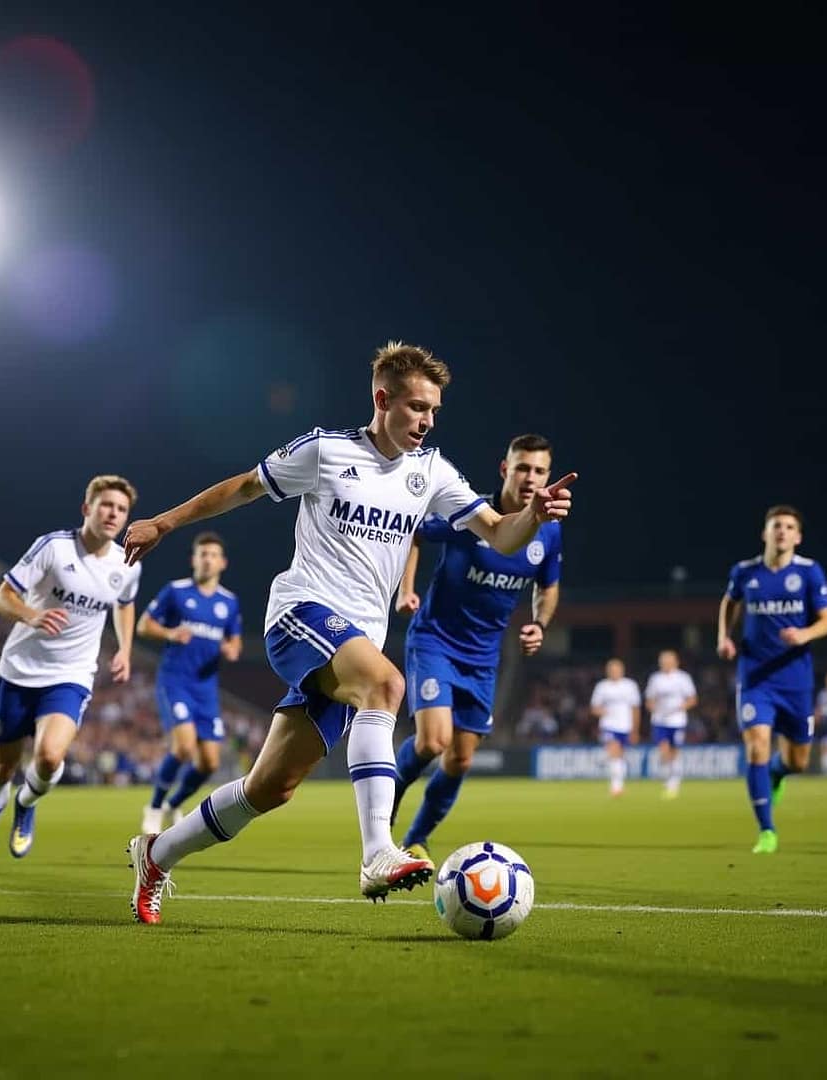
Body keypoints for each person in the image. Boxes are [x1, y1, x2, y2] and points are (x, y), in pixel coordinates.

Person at [122, 342, 575, 924]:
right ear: (382, 400)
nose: (427, 421)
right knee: (387, 687)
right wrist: (163, 521)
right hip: (301, 612)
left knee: (269, 789)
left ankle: (155, 856)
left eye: (434, 410)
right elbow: (242, 488)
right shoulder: (325, 452)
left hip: (354, 638)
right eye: (416, 408)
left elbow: (501, 534)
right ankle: (376, 853)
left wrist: (533, 516)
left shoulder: (430, 471)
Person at [390, 433, 563, 860]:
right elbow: (414, 531)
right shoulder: (470, 512)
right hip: (435, 640)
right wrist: (406, 588)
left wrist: (540, 623)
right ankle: (382, 810)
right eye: (522, 467)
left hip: (484, 656)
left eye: (539, 471)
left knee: (460, 758)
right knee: (432, 742)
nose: (530, 478)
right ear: (505, 469)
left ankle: (416, 838)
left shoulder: (549, 532)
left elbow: (549, 587)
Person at [0, 475, 141, 875]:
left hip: (71, 675)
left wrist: (127, 649)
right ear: (87, 509)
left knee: (48, 757)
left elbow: (125, 604)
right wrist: (33, 615)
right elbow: (2, 597)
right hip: (18, 671)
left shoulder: (126, 563)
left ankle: (26, 804)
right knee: (1, 770)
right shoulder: (53, 547)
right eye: (106, 505)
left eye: (121, 509)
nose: (113, 514)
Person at [718, 505, 827, 854]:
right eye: (776, 526)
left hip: (795, 681)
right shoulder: (745, 572)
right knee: (757, 747)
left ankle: (779, 773)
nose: (781, 531)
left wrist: (805, 634)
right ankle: (767, 830)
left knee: (798, 760)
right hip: (755, 678)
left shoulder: (810, 572)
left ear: (797, 536)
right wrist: (724, 636)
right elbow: (729, 602)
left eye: (788, 527)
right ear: (765, 533)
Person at [138, 531, 243, 833]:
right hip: (175, 681)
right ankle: (156, 805)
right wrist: (170, 634)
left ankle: (175, 803)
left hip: (206, 689)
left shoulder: (229, 602)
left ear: (222, 563)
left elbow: (234, 642)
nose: (207, 559)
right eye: (202, 554)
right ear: (193, 559)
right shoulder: (176, 591)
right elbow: (144, 625)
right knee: (183, 748)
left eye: (213, 555)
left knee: (209, 763)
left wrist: (231, 649)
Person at [644, 649, 697, 799]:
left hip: (677, 720)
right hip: (659, 720)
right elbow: (649, 700)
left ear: (675, 662)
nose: (665, 664)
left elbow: (692, 699)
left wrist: (679, 708)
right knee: (664, 749)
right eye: (663, 661)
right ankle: (669, 777)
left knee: (675, 751)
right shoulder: (655, 679)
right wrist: (653, 708)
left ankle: (674, 780)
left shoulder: (683, 678)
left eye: (668, 661)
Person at [589, 658, 641, 796]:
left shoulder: (630, 686)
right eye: (612, 670)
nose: (614, 672)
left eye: (617, 669)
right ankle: (616, 787)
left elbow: (635, 709)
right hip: (609, 725)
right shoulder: (602, 686)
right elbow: (594, 708)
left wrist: (635, 729)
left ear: (622, 671)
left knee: (619, 756)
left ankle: (615, 780)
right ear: (607, 671)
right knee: (615, 751)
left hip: (625, 725)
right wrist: (602, 711)